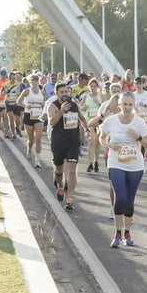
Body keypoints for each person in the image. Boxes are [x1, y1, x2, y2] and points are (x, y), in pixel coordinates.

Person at [99, 91, 147, 248]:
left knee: (129, 200)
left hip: (135, 165)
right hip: (116, 163)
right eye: (124, 104)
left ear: (134, 105)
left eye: (130, 104)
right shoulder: (111, 121)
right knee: (121, 197)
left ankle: (127, 233)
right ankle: (117, 233)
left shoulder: (139, 122)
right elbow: (101, 138)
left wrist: (138, 137)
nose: (127, 107)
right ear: (119, 105)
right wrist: (109, 145)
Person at [46, 82, 87, 212]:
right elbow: (52, 122)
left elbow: (82, 118)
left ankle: (70, 199)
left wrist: (86, 129)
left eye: (66, 92)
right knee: (59, 169)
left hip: (73, 141)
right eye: (62, 92)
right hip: (58, 142)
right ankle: (60, 184)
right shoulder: (52, 106)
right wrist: (61, 111)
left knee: (71, 169)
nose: (65, 94)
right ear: (56, 93)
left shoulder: (74, 104)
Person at [15, 74, 46, 167]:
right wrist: (26, 105)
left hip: (38, 116)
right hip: (29, 115)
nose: (35, 81)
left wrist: (43, 106)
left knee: (38, 139)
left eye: (37, 80)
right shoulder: (26, 91)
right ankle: (29, 147)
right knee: (31, 139)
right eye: (33, 80)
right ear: (30, 81)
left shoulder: (42, 92)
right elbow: (18, 102)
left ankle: (37, 160)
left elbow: (44, 103)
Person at [80, 78, 105, 173]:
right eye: (91, 86)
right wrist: (83, 107)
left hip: (99, 122)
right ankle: (90, 163)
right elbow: (80, 107)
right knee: (91, 141)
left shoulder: (101, 95)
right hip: (89, 121)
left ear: (98, 87)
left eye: (95, 86)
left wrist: (98, 103)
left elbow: (104, 107)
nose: (93, 88)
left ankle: (96, 162)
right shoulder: (86, 96)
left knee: (97, 143)